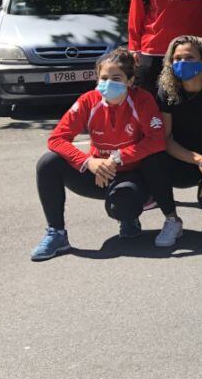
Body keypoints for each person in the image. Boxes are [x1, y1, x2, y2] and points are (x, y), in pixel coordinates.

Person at [31, 49, 175, 260]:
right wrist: (88, 162)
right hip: (98, 173)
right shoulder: (89, 100)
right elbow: (56, 139)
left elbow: (156, 140)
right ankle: (56, 233)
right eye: (104, 78)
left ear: (130, 80)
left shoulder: (142, 100)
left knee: (123, 206)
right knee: (48, 163)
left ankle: (130, 216)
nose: (109, 83)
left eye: (116, 78)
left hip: (130, 174)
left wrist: (116, 158)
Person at [155, 35, 202, 232]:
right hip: (187, 158)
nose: (182, 62)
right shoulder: (167, 91)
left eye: (189, 57)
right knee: (153, 163)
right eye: (177, 58)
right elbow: (167, 138)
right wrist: (199, 160)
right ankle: (172, 220)